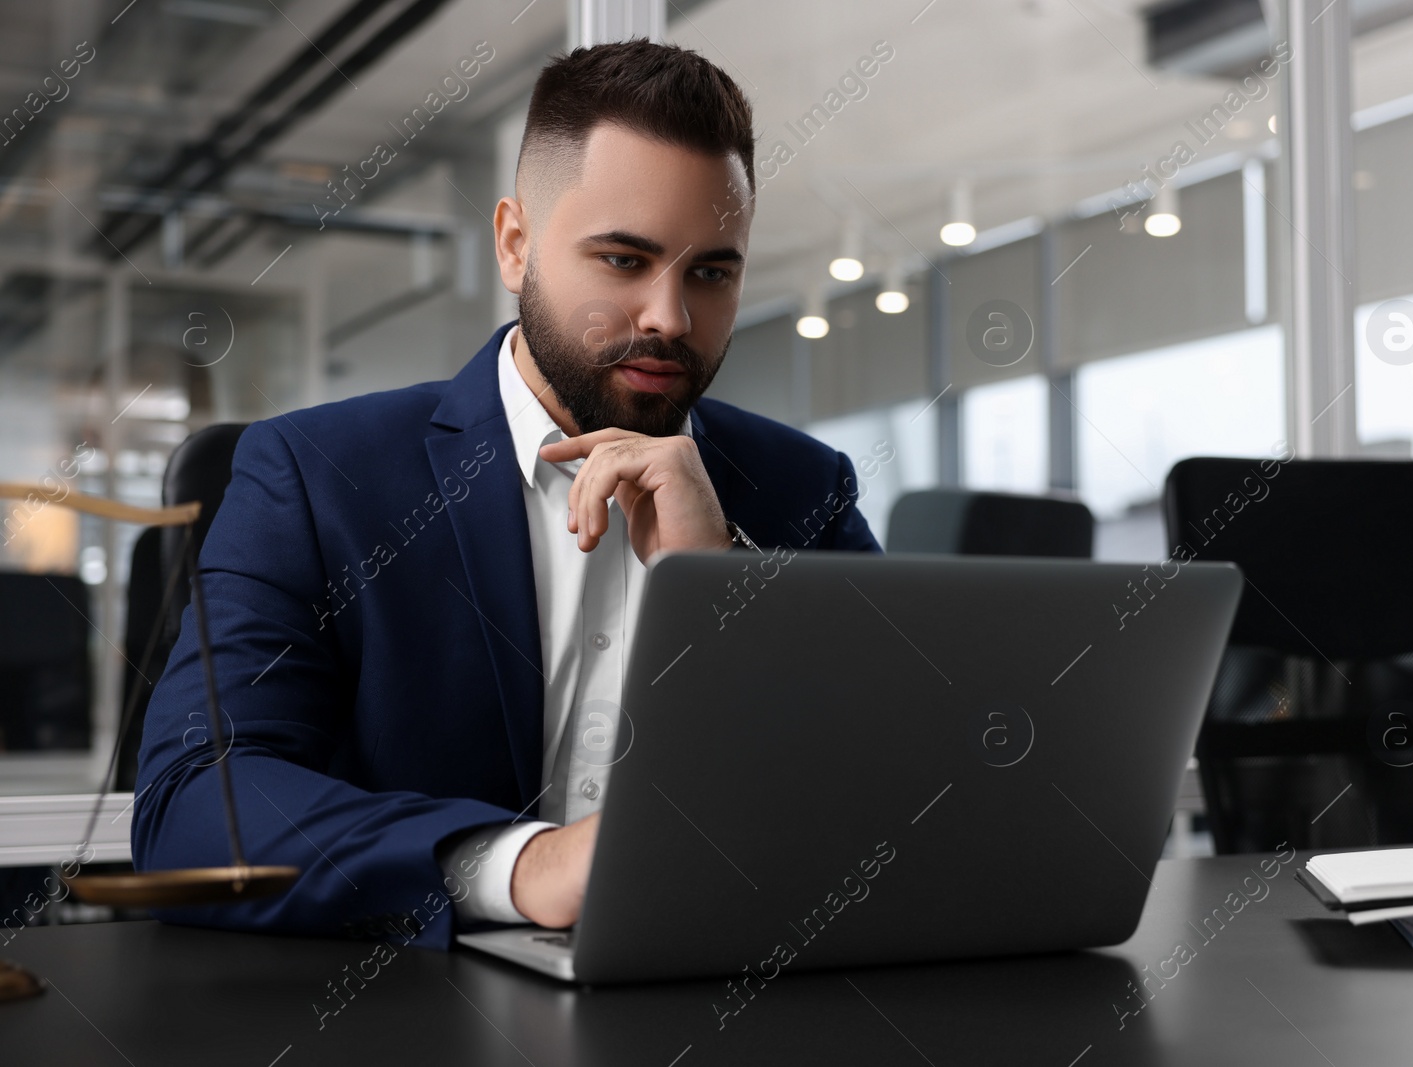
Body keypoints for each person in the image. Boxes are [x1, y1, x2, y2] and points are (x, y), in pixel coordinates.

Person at [133, 39, 880, 950]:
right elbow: (191, 802)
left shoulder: (804, 490)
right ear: (515, 243)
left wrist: (720, 586)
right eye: (621, 260)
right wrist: (523, 865)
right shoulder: (315, 475)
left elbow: (906, 789)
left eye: (711, 272)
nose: (669, 317)